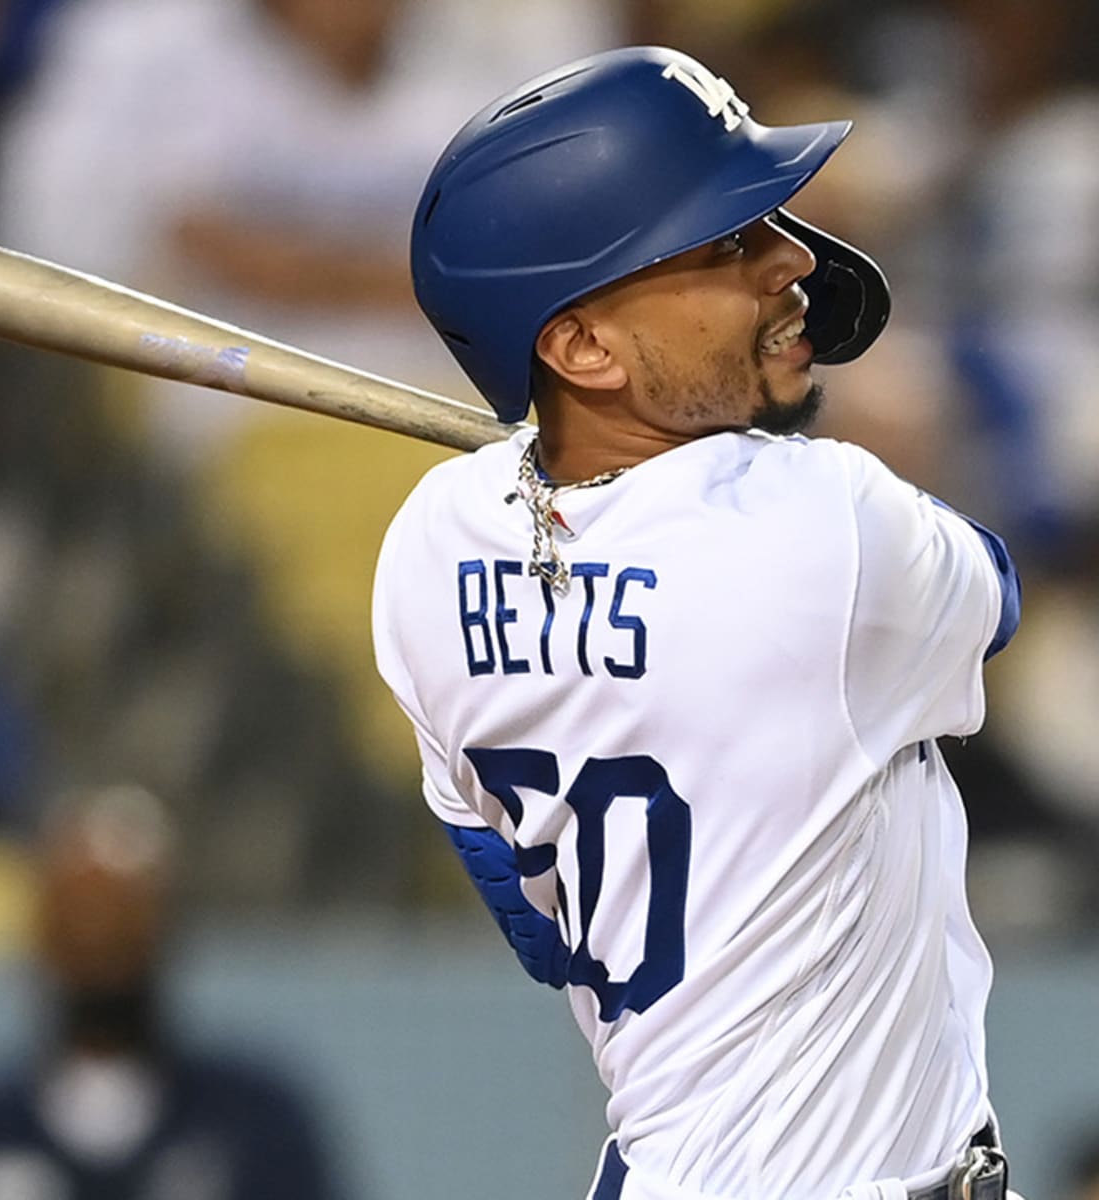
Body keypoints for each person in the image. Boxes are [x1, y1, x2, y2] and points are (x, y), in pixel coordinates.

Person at [371, 46, 1022, 1200]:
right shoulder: (829, 524)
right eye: (723, 245)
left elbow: (540, 932)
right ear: (581, 347)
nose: (793, 259)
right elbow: (998, 594)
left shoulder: (429, 541)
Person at [0, 784, 346, 1200]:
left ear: (165, 932)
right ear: (41, 938)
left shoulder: (255, 1124)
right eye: (80, 913)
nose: (100, 936)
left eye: (123, 915)